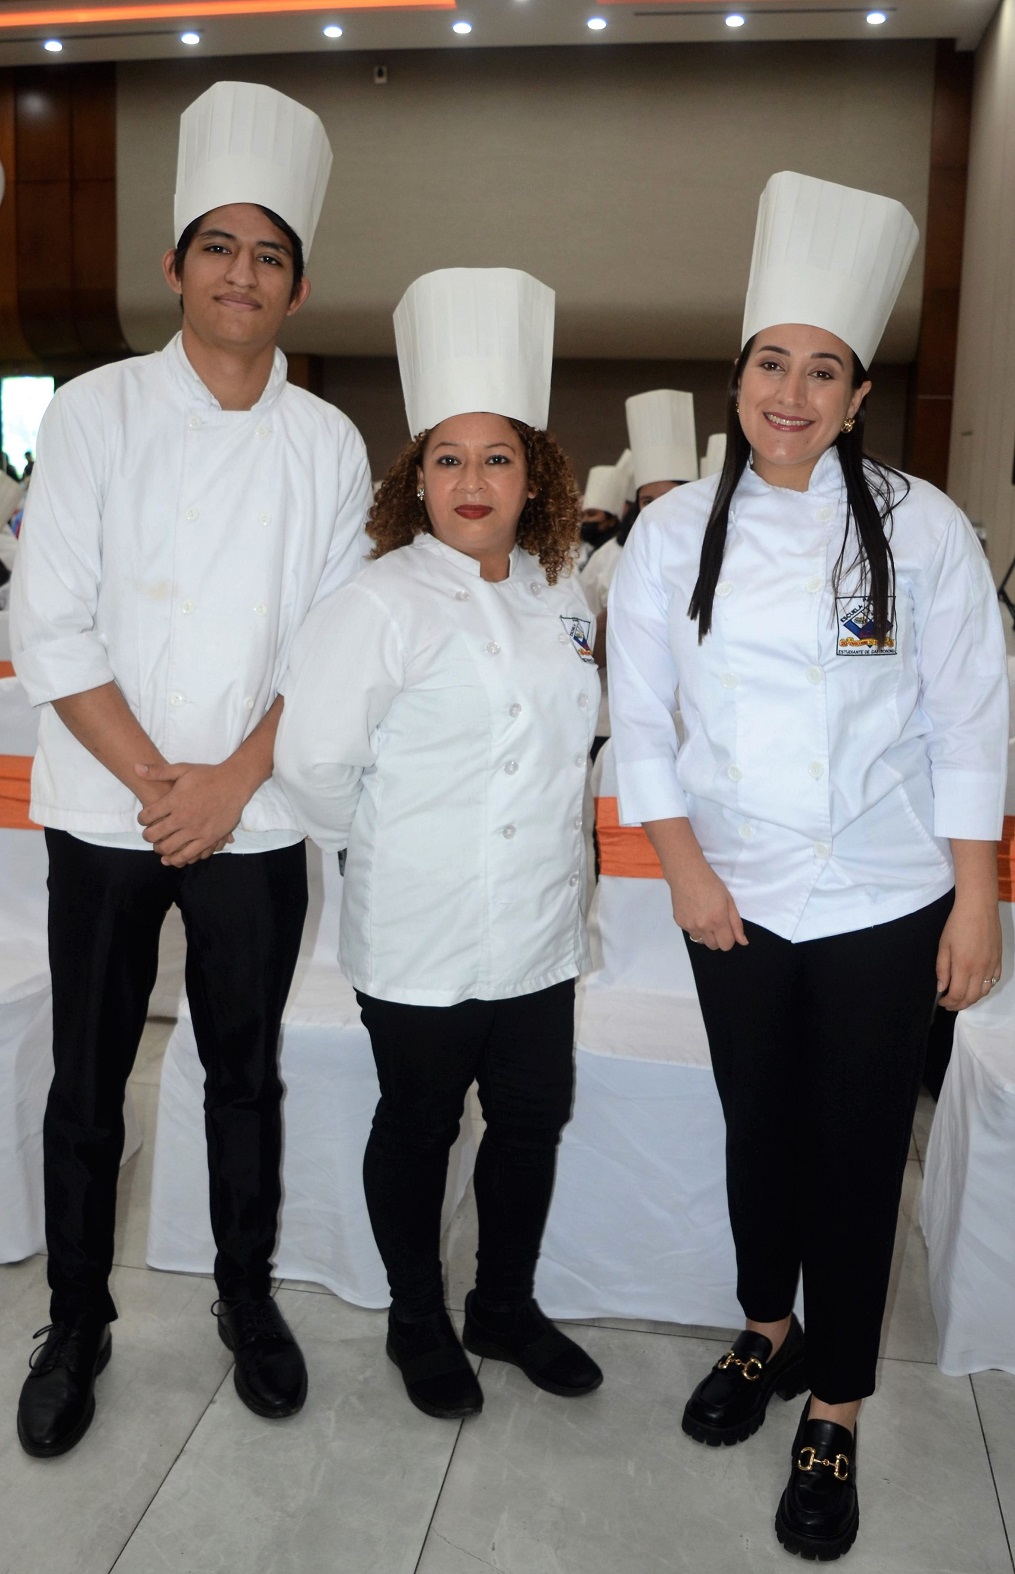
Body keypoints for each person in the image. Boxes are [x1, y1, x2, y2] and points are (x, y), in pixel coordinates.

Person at [607, 171, 1009, 1562]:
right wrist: (682, 867)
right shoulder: (667, 534)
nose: (790, 389)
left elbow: (967, 716)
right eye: (769, 362)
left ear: (853, 392)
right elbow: (641, 714)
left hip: (885, 901)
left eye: (820, 368)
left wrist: (971, 896)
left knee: (849, 1151)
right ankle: (761, 1328)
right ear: (737, 381)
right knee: (754, 1129)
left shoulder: (920, 526)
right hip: (731, 894)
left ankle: (831, 1398)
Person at [10, 80, 371, 1457]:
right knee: (86, 1081)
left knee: (244, 1075)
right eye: (218, 245)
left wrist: (230, 784)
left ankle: (243, 1295)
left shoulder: (326, 443)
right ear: (175, 266)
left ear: (295, 287)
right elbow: (50, 620)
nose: (241, 272)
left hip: (258, 812)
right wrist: (168, 779)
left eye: (267, 254)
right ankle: (79, 1318)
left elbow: (329, 644)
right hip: (110, 803)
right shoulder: (96, 410)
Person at [275, 266, 604, 1423]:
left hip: (539, 927)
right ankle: (418, 1314)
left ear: (535, 475)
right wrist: (385, 855)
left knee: (529, 1117)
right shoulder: (374, 602)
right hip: (416, 923)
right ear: (416, 476)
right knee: (418, 1121)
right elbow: (313, 763)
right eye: (448, 457)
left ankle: (501, 1306)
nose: (473, 480)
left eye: (497, 456)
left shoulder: (565, 593)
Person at [581, 389, 698, 754]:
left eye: (672, 497)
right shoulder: (613, 558)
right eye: (649, 501)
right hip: (615, 717)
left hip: (700, 723)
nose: (660, 511)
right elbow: (580, 629)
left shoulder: (721, 557)